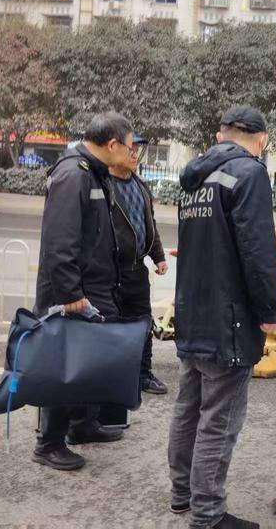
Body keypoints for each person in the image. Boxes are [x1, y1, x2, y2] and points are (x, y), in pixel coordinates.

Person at [169, 106, 276, 529]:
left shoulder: (196, 178)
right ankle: (207, 514)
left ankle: (182, 494)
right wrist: (271, 312)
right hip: (228, 319)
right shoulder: (249, 173)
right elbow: (258, 250)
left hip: (193, 312)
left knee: (189, 408)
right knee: (219, 420)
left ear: (221, 136)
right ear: (261, 139)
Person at [32, 112, 134, 471]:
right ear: (113, 144)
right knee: (65, 365)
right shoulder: (73, 174)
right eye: (130, 146)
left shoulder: (94, 172)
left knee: (87, 363)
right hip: (73, 294)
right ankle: (49, 443)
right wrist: (70, 294)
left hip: (92, 288)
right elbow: (59, 243)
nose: (132, 153)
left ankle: (82, 424)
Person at [109, 135, 169, 396]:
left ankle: (143, 374)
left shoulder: (140, 186)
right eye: (130, 150)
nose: (135, 155)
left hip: (137, 269)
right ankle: (111, 375)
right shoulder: (104, 185)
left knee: (143, 322)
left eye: (137, 151)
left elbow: (149, 224)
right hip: (111, 270)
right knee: (112, 325)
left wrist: (158, 256)